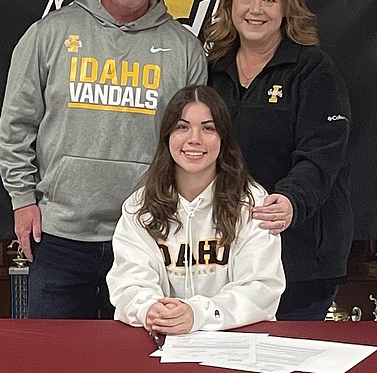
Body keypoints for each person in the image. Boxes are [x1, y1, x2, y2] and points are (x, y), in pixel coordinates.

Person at [0, 0, 208, 318]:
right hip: (60, 239)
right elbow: (16, 127)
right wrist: (22, 199)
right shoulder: (48, 35)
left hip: (150, 238)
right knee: (59, 371)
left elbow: (196, 147)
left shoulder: (185, 50)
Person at [206, 0, 353, 321]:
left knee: (289, 368)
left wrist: (291, 200)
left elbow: (322, 155)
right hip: (230, 258)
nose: (257, 9)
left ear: (286, 7)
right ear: (230, 4)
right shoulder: (211, 71)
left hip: (300, 259)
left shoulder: (314, 71)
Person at [107, 85, 284, 335]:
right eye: (182, 127)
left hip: (236, 344)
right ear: (167, 135)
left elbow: (261, 288)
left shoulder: (252, 203)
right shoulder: (140, 207)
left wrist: (197, 314)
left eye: (208, 128)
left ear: (223, 139)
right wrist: (150, 309)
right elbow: (128, 282)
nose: (194, 139)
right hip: (164, 339)